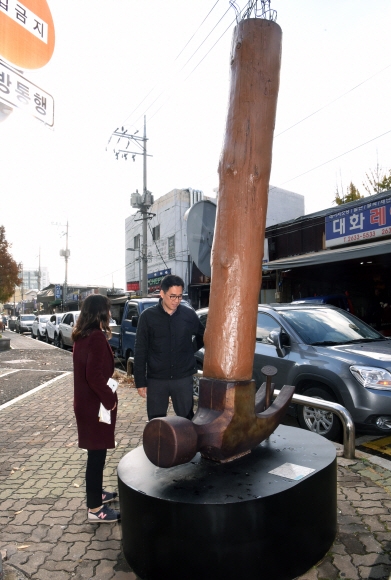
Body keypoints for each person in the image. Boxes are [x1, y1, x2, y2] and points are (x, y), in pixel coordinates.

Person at [72, 294, 120, 524]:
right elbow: (94, 376)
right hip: (95, 406)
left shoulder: (82, 336)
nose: (110, 313)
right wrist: (110, 399)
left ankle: (97, 493)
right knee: (97, 455)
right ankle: (95, 509)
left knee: (96, 453)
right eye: (108, 309)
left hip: (85, 404)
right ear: (100, 312)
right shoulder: (97, 337)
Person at [134, 274, 204, 421]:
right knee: (156, 421)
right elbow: (141, 349)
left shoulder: (188, 315)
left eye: (179, 297)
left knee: (186, 420)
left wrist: (189, 350)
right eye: (172, 296)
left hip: (183, 378)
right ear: (162, 293)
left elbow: (203, 335)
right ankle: (158, 445)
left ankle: (186, 444)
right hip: (157, 379)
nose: (176, 301)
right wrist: (140, 381)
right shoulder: (148, 317)